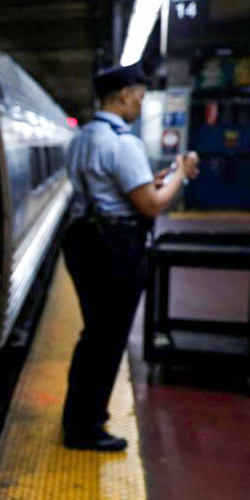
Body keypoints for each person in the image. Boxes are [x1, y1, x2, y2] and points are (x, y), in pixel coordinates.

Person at [61, 65, 200, 451]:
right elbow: (152, 205)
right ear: (123, 95)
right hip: (115, 246)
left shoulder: (83, 137)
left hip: (83, 239)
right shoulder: (124, 143)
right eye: (139, 95)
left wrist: (159, 178)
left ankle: (81, 417)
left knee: (93, 334)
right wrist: (181, 174)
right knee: (108, 339)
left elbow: (116, 188)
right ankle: (85, 428)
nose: (140, 103)